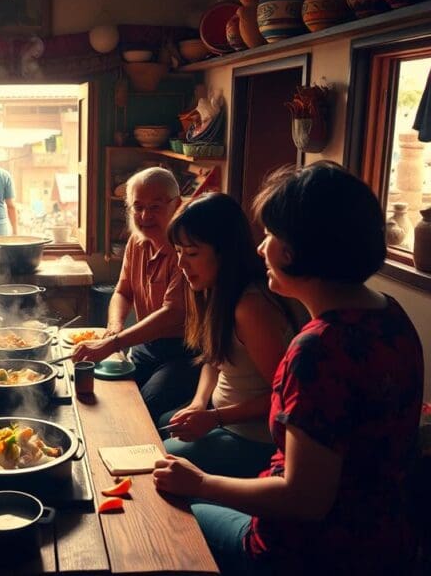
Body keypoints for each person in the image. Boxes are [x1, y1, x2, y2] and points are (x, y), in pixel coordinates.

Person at [153, 162, 423, 576]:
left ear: (297, 250)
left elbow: (304, 500)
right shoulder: (394, 316)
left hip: (312, 553)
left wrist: (201, 484)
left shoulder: (317, 350)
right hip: (388, 539)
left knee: (166, 516)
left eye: (271, 236)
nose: (260, 248)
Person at [162, 192, 297, 478]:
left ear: (224, 252)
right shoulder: (217, 288)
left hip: (254, 438)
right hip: (223, 421)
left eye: (192, 253)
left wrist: (215, 417)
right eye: (178, 252)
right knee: (162, 422)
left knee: (161, 457)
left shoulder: (250, 307)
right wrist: (199, 403)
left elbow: (285, 396)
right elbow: (215, 357)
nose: (181, 264)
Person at [73, 167, 200, 422]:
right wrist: (114, 327)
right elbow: (123, 291)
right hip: (147, 345)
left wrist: (114, 343)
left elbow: (172, 313)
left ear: (177, 204)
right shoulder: (136, 242)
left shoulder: (184, 250)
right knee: (110, 393)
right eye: (137, 207)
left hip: (185, 353)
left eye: (155, 207)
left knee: (142, 410)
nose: (144, 216)